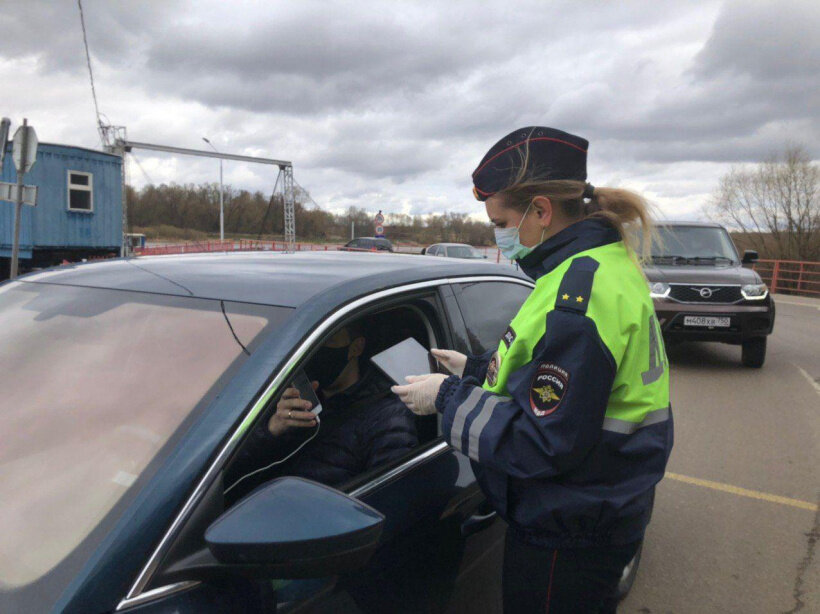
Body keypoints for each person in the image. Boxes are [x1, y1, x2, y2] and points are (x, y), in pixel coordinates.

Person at [392, 127, 673, 613]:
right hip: (599, 504)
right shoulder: (600, 265)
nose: (498, 237)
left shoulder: (577, 296)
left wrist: (446, 397)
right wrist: (476, 368)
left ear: (541, 211)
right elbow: (561, 377)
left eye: (501, 222)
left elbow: (543, 442)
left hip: (569, 530)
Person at [225, 322, 418, 503]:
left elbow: (392, 497)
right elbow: (229, 471)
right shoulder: (287, 393)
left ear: (356, 348)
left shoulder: (387, 415)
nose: (318, 351)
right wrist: (271, 429)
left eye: (329, 341)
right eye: (314, 343)